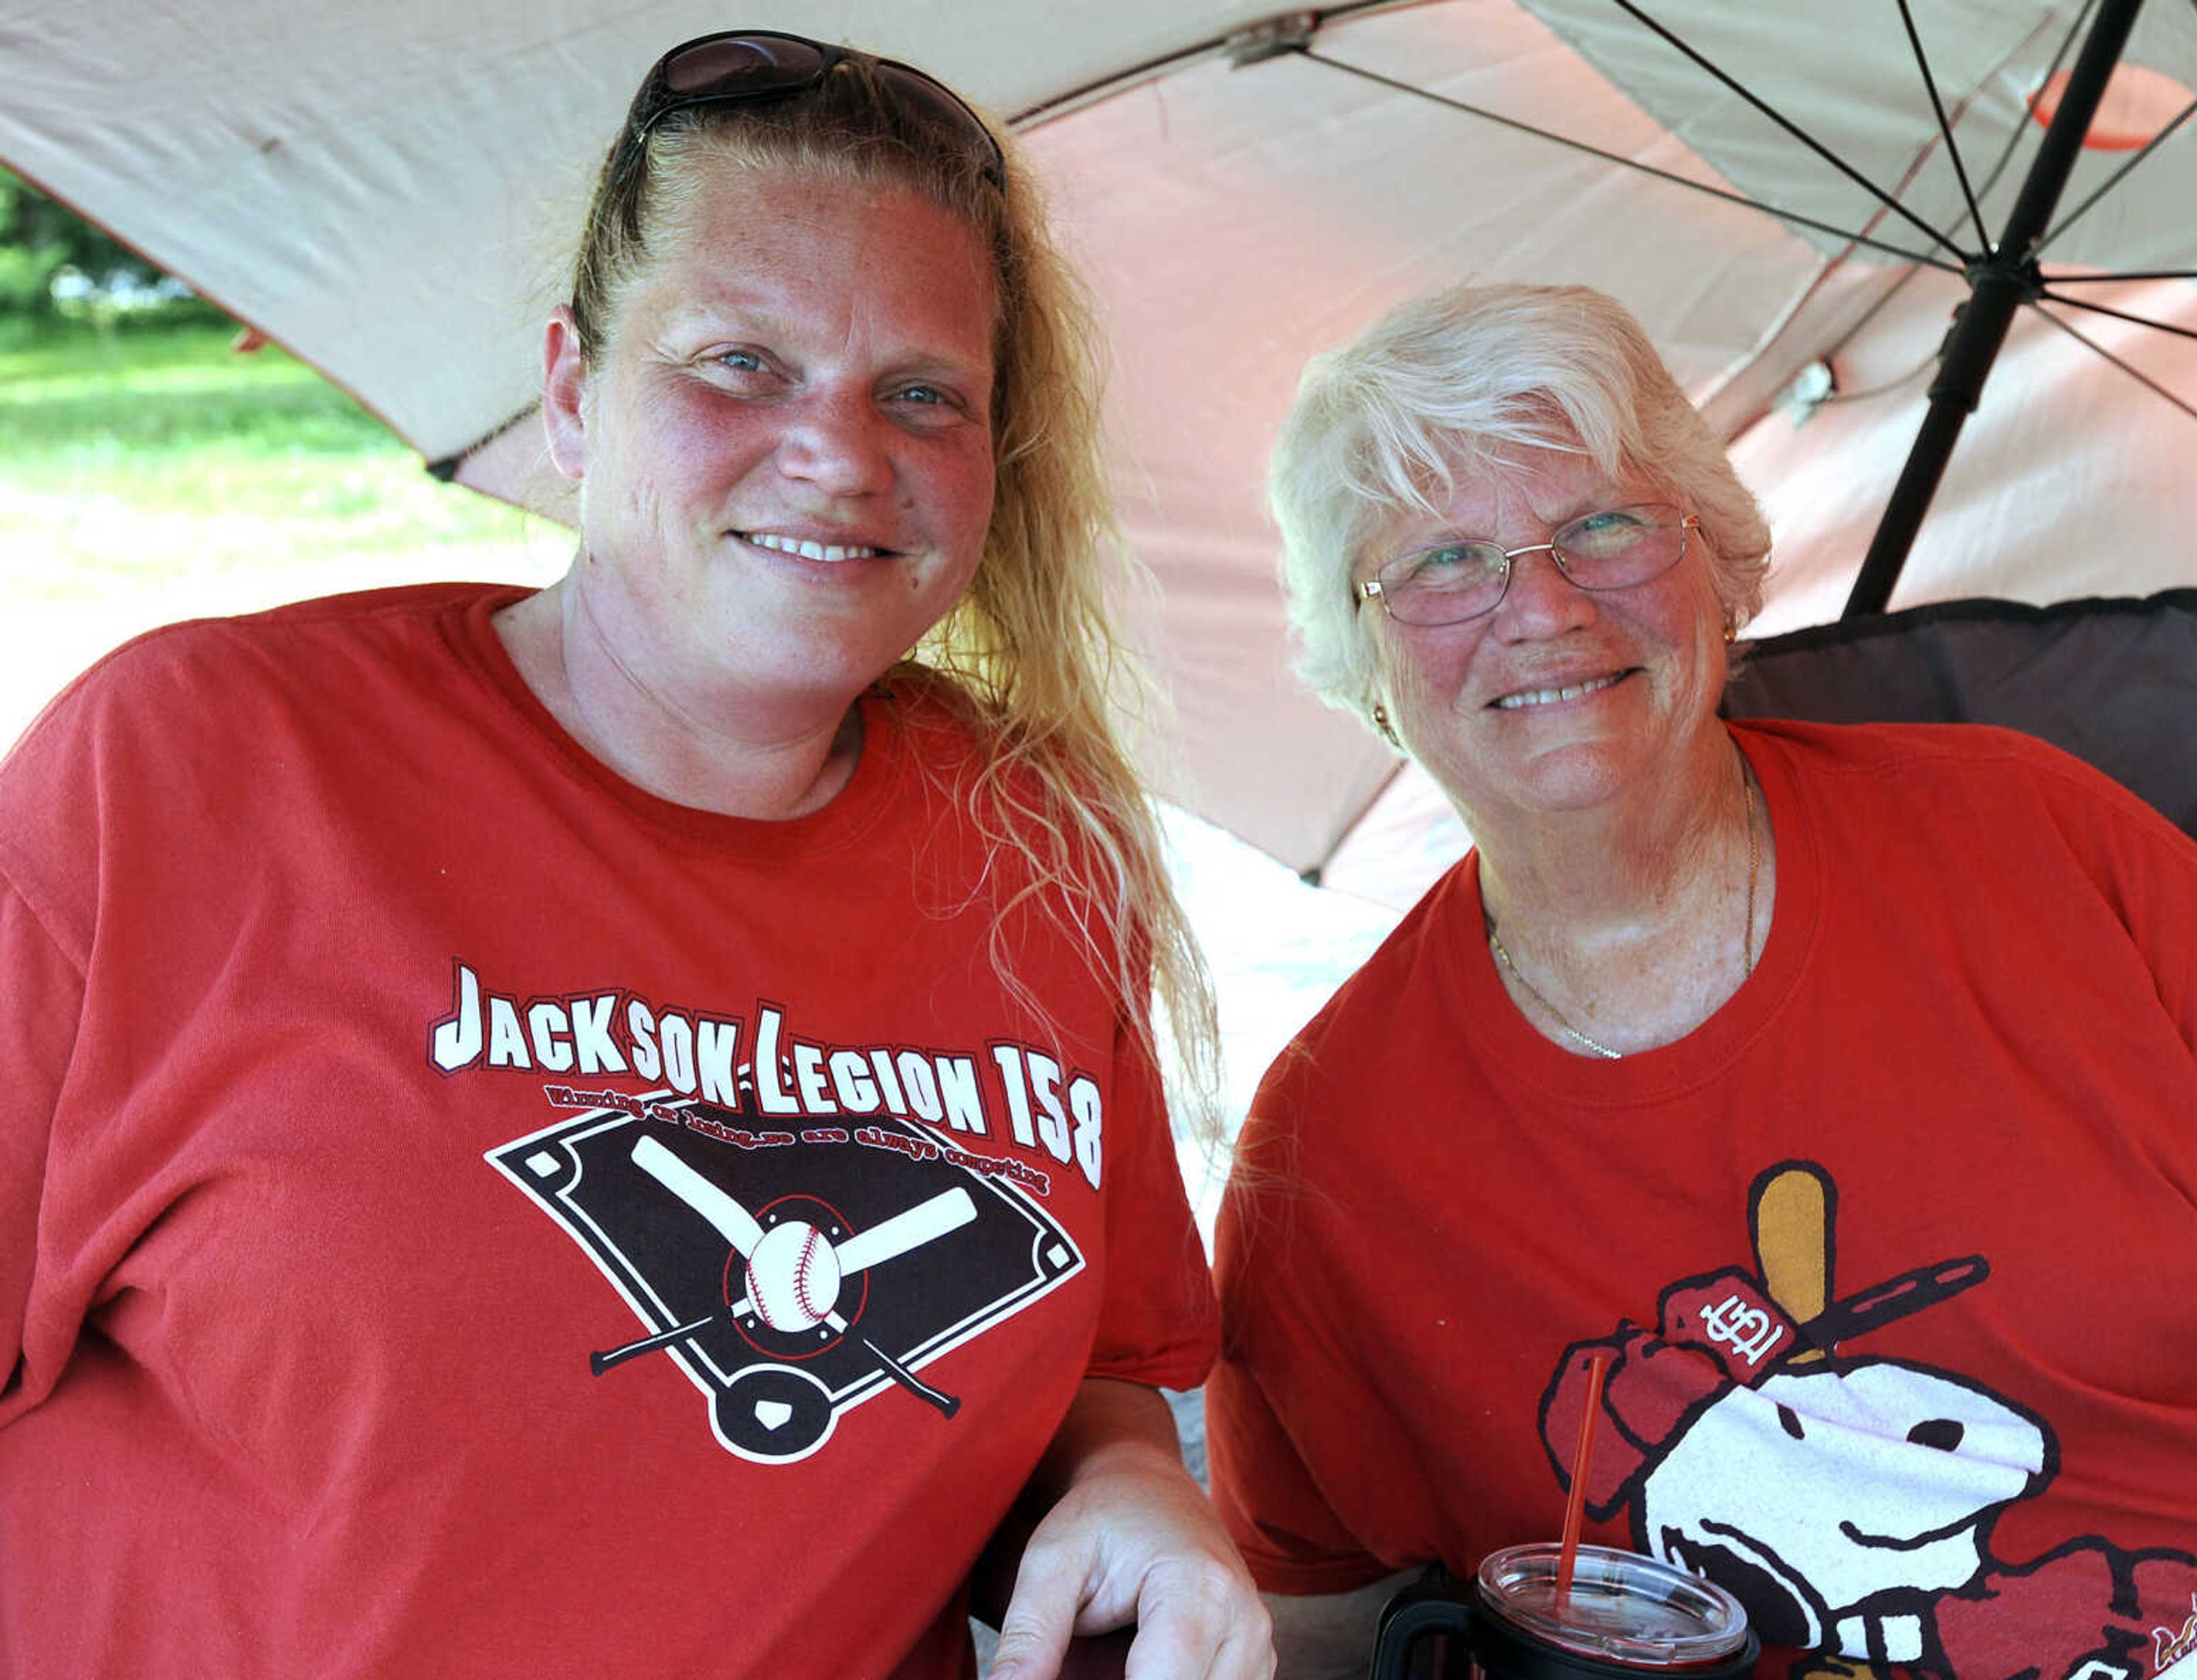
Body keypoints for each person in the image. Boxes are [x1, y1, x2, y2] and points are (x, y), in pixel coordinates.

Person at [0, 30, 1272, 1680]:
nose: (842, 451)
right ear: (573, 390)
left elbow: (1096, 1358)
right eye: (742, 361)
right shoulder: (193, 761)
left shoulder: (1033, 838)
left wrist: (1130, 1486)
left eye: (922, 393)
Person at [1204, 282, 2197, 1680]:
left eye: (1602, 525)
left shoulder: (2037, 837)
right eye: (1446, 562)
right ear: (1365, 660)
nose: (1544, 607)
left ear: (1716, 555)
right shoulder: (1330, 1158)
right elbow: (1324, 1622)